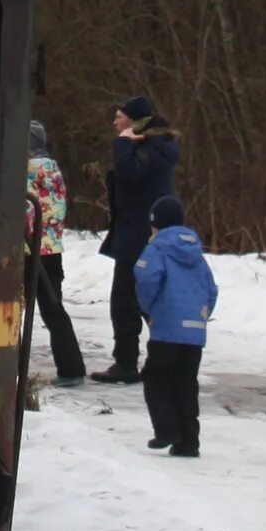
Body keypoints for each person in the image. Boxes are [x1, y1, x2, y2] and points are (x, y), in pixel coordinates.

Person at [94, 95, 179, 384]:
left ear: (133, 121)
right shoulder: (152, 145)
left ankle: (136, 362)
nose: (115, 122)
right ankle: (133, 361)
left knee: (130, 302)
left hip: (140, 237)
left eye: (119, 116)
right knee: (132, 302)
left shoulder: (152, 147)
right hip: (135, 235)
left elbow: (129, 175)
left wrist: (122, 143)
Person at [132, 194, 216, 457]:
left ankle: (166, 429)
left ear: (155, 224)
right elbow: (211, 290)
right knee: (186, 383)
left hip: (166, 328)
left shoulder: (156, 249)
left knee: (156, 377)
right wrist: (201, 316)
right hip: (193, 332)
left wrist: (149, 310)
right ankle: (189, 441)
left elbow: (146, 281)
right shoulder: (197, 255)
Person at [23, 119, 87, 387]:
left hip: (27, 249)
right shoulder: (54, 169)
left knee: (10, 310)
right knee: (54, 310)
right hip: (52, 250)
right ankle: (71, 366)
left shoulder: (25, 169)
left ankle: (9, 365)